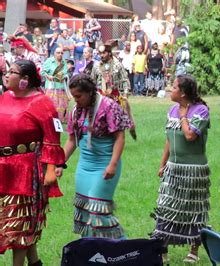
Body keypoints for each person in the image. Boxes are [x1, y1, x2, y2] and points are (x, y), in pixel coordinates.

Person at [0, 59, 65, 266]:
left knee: (19, 223)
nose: (7, 75)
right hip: (3, 167)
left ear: (25, 80)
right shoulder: (5, 97)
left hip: (26, 170)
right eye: (8, 71)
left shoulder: (42, 103)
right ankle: (35, 263)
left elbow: (52, 138)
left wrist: (51, 169)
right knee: (11, 221)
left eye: (12, 72)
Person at [57, 73, 131, 239]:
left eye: (78, 96)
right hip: (85, 166)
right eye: (73, 96)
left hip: (105, 164)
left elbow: (120, 137)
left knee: (98, 211)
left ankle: (122, 249)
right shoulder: (76, 110)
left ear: (90, 92)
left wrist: (113, 164)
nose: (75, 100)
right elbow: (71, 140)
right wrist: (59, 163)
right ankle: (90, 251)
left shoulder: (108, 106)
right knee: (84, 212)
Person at [151, 75, 211, 264]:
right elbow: (169, 140)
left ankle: (194, 249)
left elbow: (190, 135)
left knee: (193, 208)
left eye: (174, 87)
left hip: (193, 170)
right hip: (174, 168)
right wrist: (163, 164)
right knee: (165, 207)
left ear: (183, 92)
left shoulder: (201, 111)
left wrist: (184, 115)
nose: (170, 89)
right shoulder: (171, 110)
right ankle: (162, 248)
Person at [41, 47, 69, 122]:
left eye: (61, 53)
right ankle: (50, 118)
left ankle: (60, 119)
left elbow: (66, 73)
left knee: (62, 104)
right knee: (51, 104)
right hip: (51, 86)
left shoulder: (64, 62)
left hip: (61, 86)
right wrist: (48, 76)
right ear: (54, 53)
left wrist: (65, 77)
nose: (60, 54)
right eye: (58, 53)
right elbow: (42, 72)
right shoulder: (49, 61)